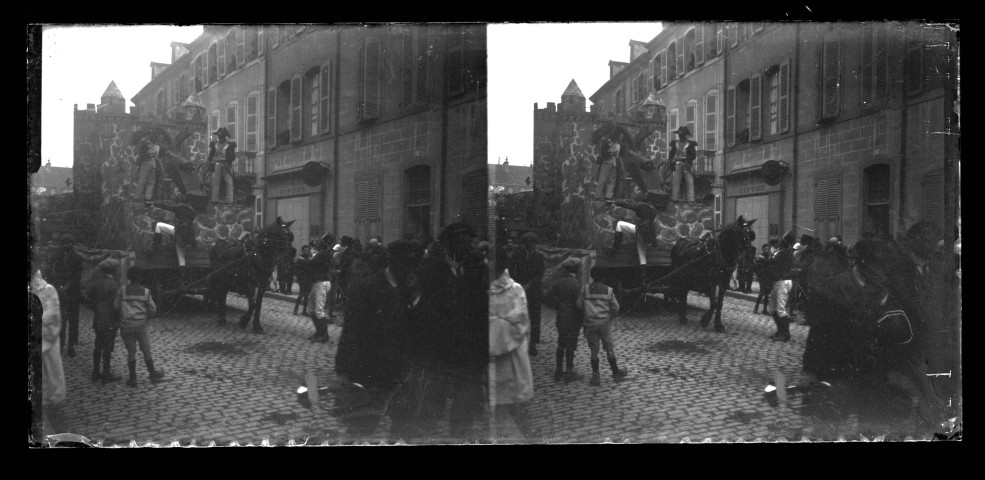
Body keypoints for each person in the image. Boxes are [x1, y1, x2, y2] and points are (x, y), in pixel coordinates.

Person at [334, 239, 425, 439]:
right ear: (392, 263)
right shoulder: (364, 288)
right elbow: (351, 332)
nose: (410, 272)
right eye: (405, 266)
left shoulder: (417, 289)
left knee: (403, 425)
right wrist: (342, 370)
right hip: (370, 372)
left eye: (413, 266)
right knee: (361, 429)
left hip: (404, 374)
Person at [412, 223, 488, 439]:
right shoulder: (429, 270)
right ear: (449, 244)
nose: (470, 248)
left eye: (471, 244)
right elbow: (422, 311)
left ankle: (460, 433)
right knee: (434, 394)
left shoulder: (478, 270)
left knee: (466, 398)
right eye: (465, 243)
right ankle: (425, 433)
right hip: (441, 348)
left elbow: (482, 309)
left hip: (470, 349)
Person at [488, 245, 533, 440]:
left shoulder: (515, 289)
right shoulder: (514, 290)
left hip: (501, 348)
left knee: (505, 393)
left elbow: (521, 317)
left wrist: (493, 328)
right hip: (509, 345)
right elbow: (519, 319)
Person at [576, 266, 628, 386]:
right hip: (604, 324)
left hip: (589, 324)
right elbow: (616, 307)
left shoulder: (586, 289)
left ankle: (595, 376)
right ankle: (615, 372)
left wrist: (587, 312)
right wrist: (611, 316)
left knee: (594, 350)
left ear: (592, 276)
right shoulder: (608, 290)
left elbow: (578, 304)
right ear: (604, 277)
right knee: (609, 348)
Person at [115, 266, 165, 388]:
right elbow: (153, 309)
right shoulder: (145, 292)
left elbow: (116, 306)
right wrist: (147, 317)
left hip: (126, 326)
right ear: (141, 277)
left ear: (129, 277)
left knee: (131, 352)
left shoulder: (122, 290)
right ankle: (153, 374)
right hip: (141, 326)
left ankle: (133, 379)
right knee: (146, 349)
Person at [544, 257, 585, 382]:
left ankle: (558, 370)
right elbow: (580, 304)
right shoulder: (577, 284)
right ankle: (569, 371)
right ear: (577, 270)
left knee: (561, 343)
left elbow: (546, 296)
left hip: (561, 316)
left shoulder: (559, 282)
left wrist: (557, 305)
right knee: (571, 344)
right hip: (574, 318)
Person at [83, 259, 123, 384]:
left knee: (98, 345)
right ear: (114, 271)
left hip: (98, 318)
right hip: (110, 319)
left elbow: (86, 297)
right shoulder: (113, 284)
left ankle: (95, 373)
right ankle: (106, 373)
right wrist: (119, 318)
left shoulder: (96, 283)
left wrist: (95, 307)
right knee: (107, 346)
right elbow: (116, 305)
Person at [33, 269, 66, 405]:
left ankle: (56, 396)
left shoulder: (48, 289)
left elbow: (52, 312)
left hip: (48, 333)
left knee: (53, 365)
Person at [47, 235, 83, 358]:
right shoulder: (56, 256)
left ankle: (71, 346)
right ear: (61, 244)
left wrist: (68, 286)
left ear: (73, 244)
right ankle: (61, 345)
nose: (68, 245)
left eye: (70, 242)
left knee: (73, 321)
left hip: (73, 292)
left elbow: (78, 276)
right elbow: (50, 273)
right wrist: (57, 287)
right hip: (59, 293)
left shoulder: (78, 258)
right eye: (65, 242)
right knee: (61, 320)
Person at [509, 232, 545, 357]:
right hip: (520, 290)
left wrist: (529, 284)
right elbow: (512, 271)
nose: (532, 245)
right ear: (525, 243)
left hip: (534, 291)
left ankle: (533, 344)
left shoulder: (540, 256)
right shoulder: (517, 255)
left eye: (534, 242)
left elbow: (540, 275)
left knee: (535, 319)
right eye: (529, 243)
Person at [296, 240, 335, 343]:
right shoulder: (321, 254)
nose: (315, 245)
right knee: (311, 310)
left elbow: (311, 263)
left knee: (318, 310)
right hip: (316, 283)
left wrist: (300, 261)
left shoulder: (322, 254)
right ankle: (319, 332)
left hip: (321, 283)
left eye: (318, 243)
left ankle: (324, 335)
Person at [765, 231, 798, 341]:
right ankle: (780, 331)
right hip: (778, 281)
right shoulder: (784, 251)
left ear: (786, 242)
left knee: (780, 309)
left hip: (783, 282)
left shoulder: (785, 252)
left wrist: (763, 261)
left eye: (783, 240)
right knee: (773, 308)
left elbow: (773, 262)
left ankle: (785, 333)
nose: (780, 242)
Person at [667, 126, 697, 203]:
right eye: (680, 135)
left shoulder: (690, 144)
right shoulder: (675, 144)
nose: (681, 136)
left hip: (686, 164)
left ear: (685, 135)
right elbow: (671, 154)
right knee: (676, 181)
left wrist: (685, 158)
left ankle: (691, 199)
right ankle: (675, 198)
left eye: (682, 135)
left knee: (690, 181)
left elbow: (693, 156)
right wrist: (671, 160)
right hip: (678, 164)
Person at [208, 127, 236, 204]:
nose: (220, 137)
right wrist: (210, 162)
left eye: (221, 135)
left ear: (224, 136)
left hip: (226, 165)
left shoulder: (229, 145)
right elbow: (211, 155)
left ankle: (230, 199)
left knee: (229, 181)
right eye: (219, 135)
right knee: (216, 181)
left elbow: (232, 157)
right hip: (217, 165)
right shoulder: (215, 145)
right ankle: (214, 199)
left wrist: (227, 161)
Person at [133, 137, 163, 204]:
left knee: (151, 181)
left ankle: (147, 198)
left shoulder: (156, 146)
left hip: (153, 163)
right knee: (142, 180)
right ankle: (137, 197)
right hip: (147, 162)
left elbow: (155, 155)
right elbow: (143, 153)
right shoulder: (146, 143)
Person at [753, 243, 775, 314]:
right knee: (761, 293)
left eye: (768, 249)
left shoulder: (771, 256)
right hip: (762, 278)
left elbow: (772, 264)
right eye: (765, 249)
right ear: (763, 250)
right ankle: (756, 307)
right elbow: (758, 269)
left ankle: (765, 309)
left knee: (767, 293)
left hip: (769, 277)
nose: (767, 250)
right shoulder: (760, 258)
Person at [293, 244, 313, 315]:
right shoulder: (300, 259)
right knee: (301, 294)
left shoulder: (310, 258)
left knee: (307, 295)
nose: (307, 251)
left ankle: (304, 310)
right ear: (302, 251)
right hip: (302, 279)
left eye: (308, 250)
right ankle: (296, 308)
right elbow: (298, 270)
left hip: (309, 279)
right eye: (305, 250)